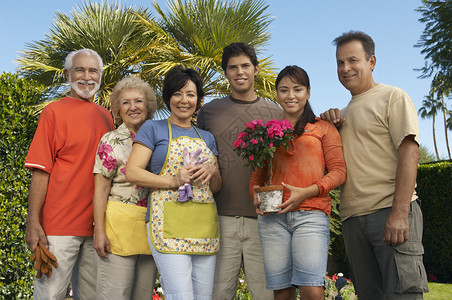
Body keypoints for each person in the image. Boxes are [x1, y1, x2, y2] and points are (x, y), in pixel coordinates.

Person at [320, 30, 429, 299]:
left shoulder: (393, 97)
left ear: (372, 62)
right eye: (340, 62)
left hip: (390, 213)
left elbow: (409, 154)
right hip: (353, 221)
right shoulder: (340, 117)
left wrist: (400, 213)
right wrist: (325, 126)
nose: (345, 68)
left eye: (353, 60)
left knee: (403, 294)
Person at [249, 65, 346, 300]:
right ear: (276, 94)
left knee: (312, 289)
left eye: (297, 89)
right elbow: (258, 175)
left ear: (308, 92)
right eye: (284, 90)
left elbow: (339, 171)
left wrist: (306, 192)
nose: (290, 95)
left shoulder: (323, 128)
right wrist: (255, 194)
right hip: (273, 218)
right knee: (281, 292)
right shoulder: (268, 132)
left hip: (311, 215)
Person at [125, 65, 222, 300]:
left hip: (203, 225)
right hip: (166, 222)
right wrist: (173, 180)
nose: (184, 100)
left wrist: (212, 171)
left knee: (203, 297)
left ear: (198, 99)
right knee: (180, 295)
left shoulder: (206, 137)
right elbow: (132, 172)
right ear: (168, 97)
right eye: (177, 94)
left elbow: (216, 187)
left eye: (191, 94)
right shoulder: (153, 128)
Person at [25, 48, 114, 299]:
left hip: (97, 228)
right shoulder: (53, 112)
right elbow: (40, 171)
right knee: (49, 295)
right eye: (80, 69)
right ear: (67, 75)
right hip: (58, 227)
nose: (87, 76)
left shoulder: (106, 116)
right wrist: (33, 222)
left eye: (93, 70)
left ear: (100, 76)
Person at [197, 42, 282, 300]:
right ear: (226, 73)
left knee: (265, 294)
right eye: (232, 67)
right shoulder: (208, 112)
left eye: (245, 65)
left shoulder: (276, 111)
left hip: (265, 217)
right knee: (219, 293)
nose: (239, 72)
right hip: (219, 217)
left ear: (256, 69)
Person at [93, 76, 158, 299]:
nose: (133, 107)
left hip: (151, 228)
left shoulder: (159, 141)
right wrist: (99, 232)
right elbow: (100, 190)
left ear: (148, 106)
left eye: (138, 101)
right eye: (126, 102)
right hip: (117, 228)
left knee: (143, 296)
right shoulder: (110, 141)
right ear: (117, 110)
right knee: (115, 294)